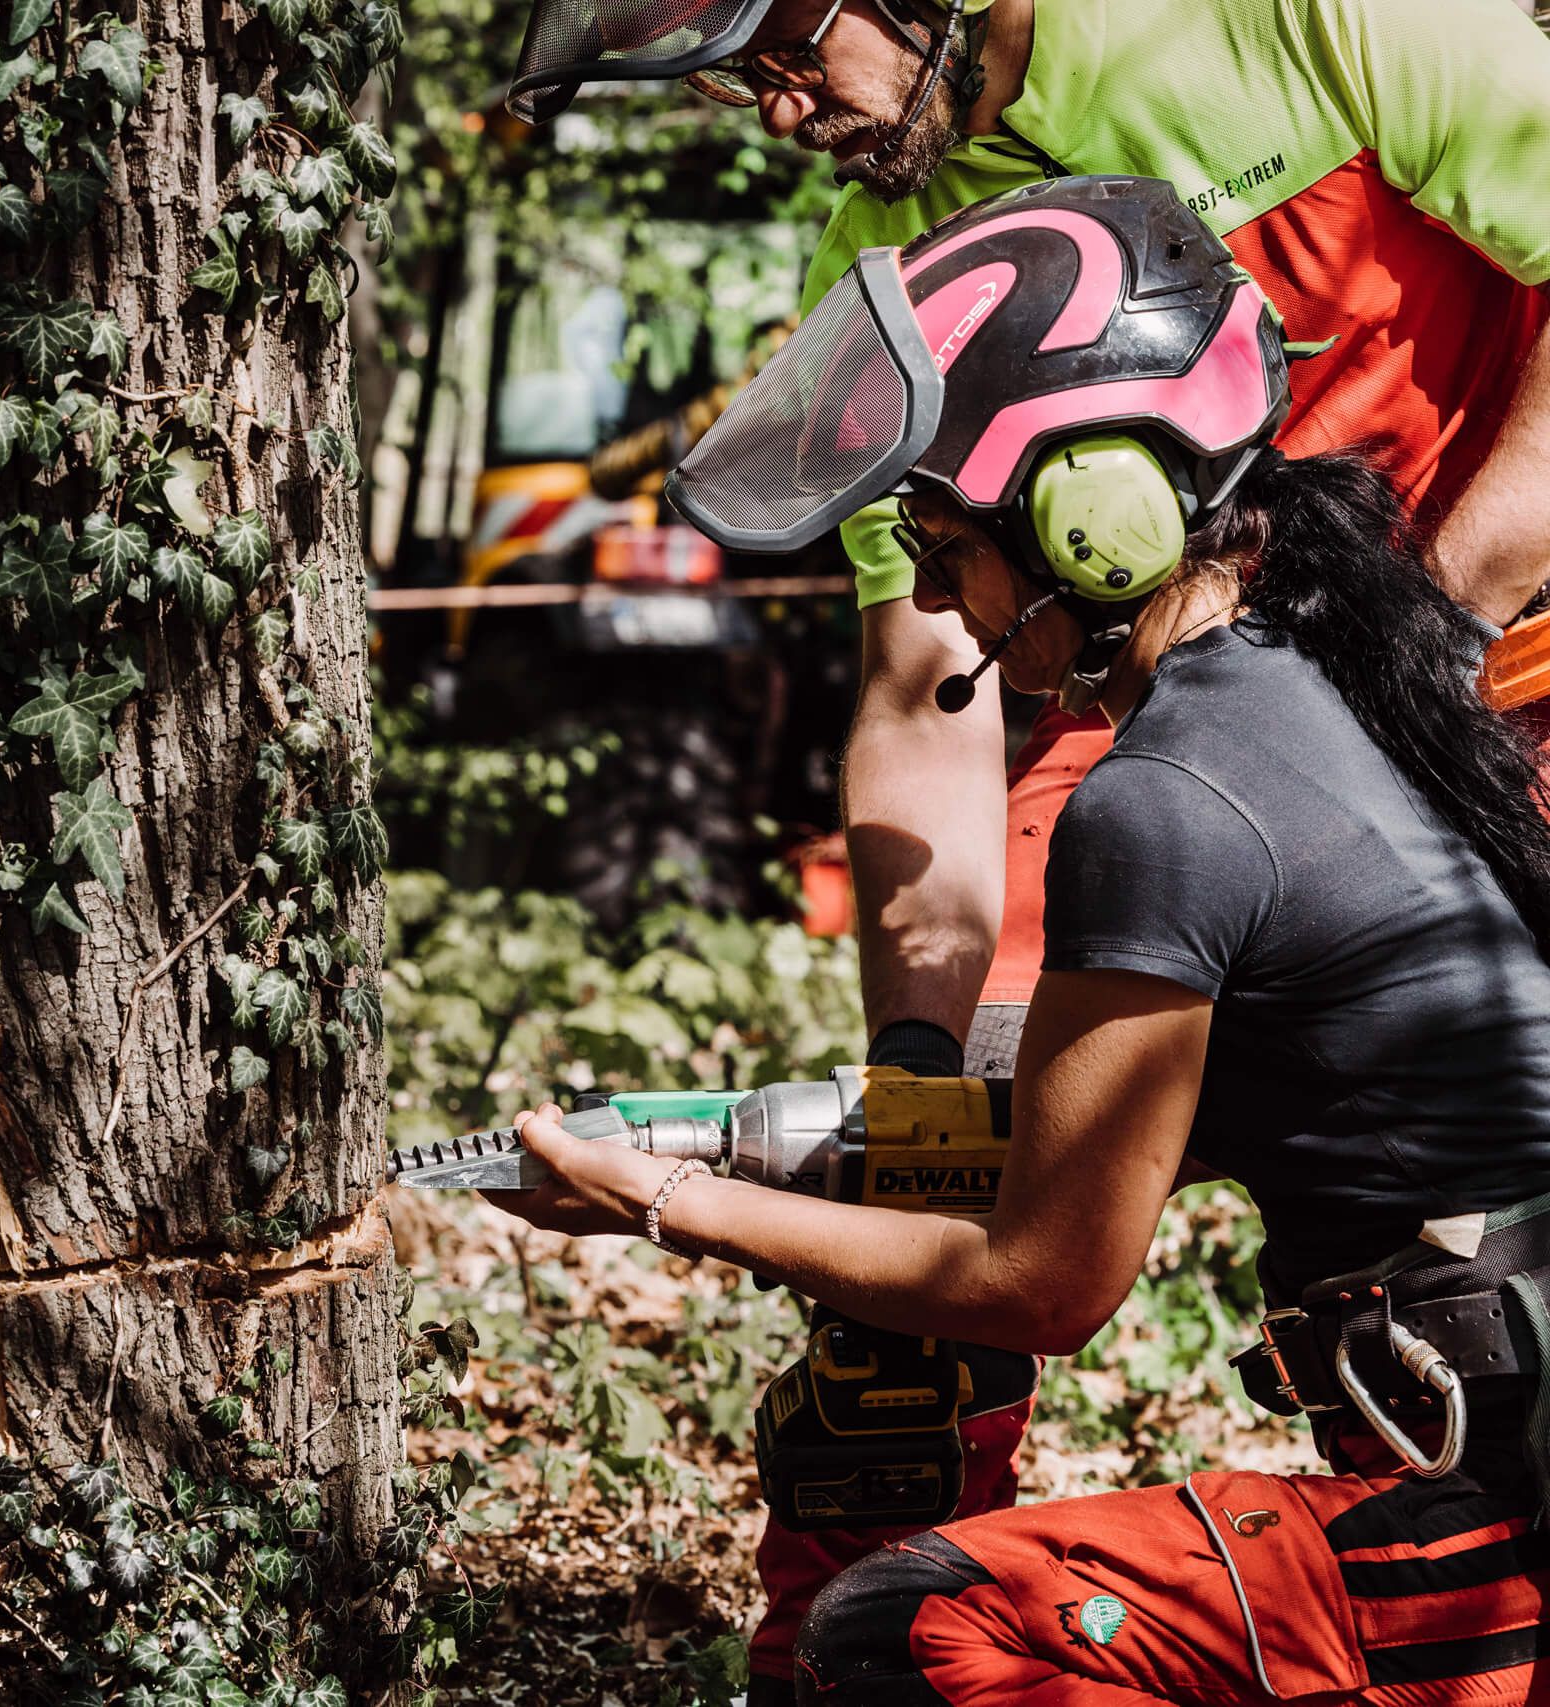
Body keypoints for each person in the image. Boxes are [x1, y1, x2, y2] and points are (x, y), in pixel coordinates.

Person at [504, 1, 1550, 1690]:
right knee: (936, 1174)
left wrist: (1433, 624)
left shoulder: (1311, 17)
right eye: (736, 86)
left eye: (785, 57)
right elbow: (930, 677)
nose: (780, 116)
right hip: (1161, 673)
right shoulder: (894, 263)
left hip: (1485, 635)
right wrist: (920, 1071)